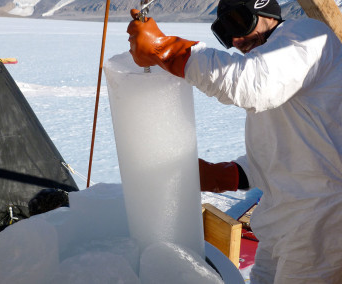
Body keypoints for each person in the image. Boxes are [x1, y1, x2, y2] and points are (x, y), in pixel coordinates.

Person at [127, 0, 342, 283]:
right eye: (224, 32)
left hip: (320, 224)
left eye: (239, 22)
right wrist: (226, 175)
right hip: (279, 225)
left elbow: (251, 84)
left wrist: (167, 49)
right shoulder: (276, 69)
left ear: (266, 11)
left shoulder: (306, 37)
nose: (237, 39)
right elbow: (280, 155)